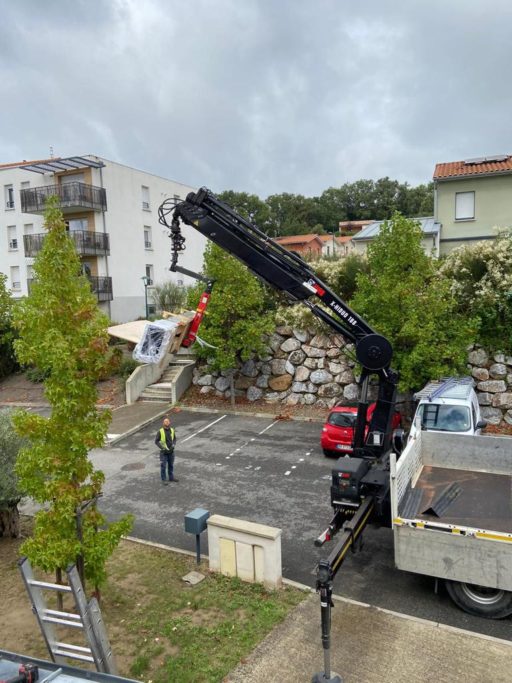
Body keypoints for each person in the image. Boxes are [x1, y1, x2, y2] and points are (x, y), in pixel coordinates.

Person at [155, 417, 178, 484]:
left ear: (169, 422)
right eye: (165, 421)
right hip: (163, 452)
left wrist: (173, 445)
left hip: (171, 451)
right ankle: (164, 479)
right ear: (163, 423)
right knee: (163, 466)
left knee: (171, 465)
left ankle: (171, 478)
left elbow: (174, 439)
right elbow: (156, 441)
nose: (167, 422)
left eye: (168, 421)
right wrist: (162, 448)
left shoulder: (172, 430)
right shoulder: (160, 431)